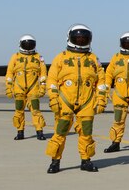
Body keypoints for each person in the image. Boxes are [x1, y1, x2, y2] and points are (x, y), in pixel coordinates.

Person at [45, 24, 106, 173]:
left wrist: (101, 100)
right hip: (65, 101)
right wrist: (53, 98)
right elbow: (51, 80)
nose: (80, 41)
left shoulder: (93, 59)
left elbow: (101, 82)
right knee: (60, 133)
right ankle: (55, 161)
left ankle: (86, 161)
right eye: (78, 38)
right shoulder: (61, 58)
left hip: (87, 102)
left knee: (86, 134)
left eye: (84, 38)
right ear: (70, 38)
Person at [5, 34, 47, 140]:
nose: (28, 47)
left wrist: (42, 87)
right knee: (19, 110)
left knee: (36, 110)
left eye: (30, 45)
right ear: (21, 44)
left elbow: (43, 73)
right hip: (19, 88)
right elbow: (9, 73)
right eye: (26, 44)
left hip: (33, 88)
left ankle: (39, 132)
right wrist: (9, 88)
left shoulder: (38, 57)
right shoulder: (15, 57)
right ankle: (20, 132)